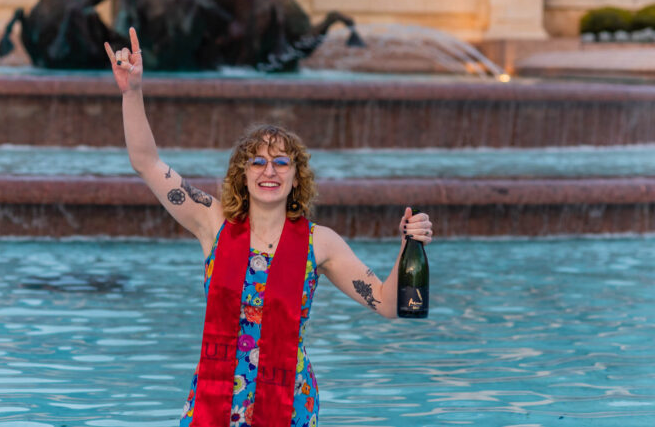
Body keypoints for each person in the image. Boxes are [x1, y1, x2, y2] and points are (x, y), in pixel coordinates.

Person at [105, 28, 434, 427]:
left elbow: (387, 303)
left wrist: (407, 246)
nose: (269, 170)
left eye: (281, 162)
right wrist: (132, 92)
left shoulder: (320, 242)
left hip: (290, 405)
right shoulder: (212, 222)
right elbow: (147, 163)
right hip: (214, 402)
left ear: (297, 178)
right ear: (242, 174)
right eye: (258, 162)